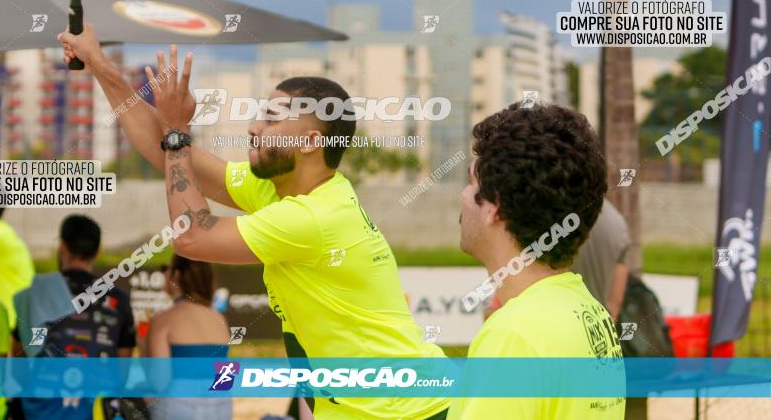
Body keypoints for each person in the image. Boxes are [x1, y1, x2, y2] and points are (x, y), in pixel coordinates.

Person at [59, 27, 450, 419]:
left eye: (272, 120)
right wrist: (97, 62)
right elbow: (169, 158)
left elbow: (191, 236)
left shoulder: (312, 217)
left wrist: (177, 130)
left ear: (310, 142)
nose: (253, 128)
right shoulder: (279, 189)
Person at [449, 103, 624, 419]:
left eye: (472, 181)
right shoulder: (589, 311)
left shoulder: (514, 337)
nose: (462, 196)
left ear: (495, 206)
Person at [9, 214, 137, 420]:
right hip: (97, 412)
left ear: (62, 247)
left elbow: (18, 368)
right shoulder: (118, 299)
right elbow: (121, 374)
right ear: (97, 252)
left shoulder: (37, 293)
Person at [146, 256, 231, 420]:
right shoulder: (219, 319)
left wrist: (144, 344)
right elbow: (224, 380)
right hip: (221, 406)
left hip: (179, 408)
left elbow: (158, 382)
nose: (163, 274)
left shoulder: (163, 320)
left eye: (166, 268)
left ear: (176, 275)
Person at [571, 199, 631, 321]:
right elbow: (615, 303)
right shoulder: (618, 223)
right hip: (597, 328)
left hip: (556, 325)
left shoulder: (557, 215)